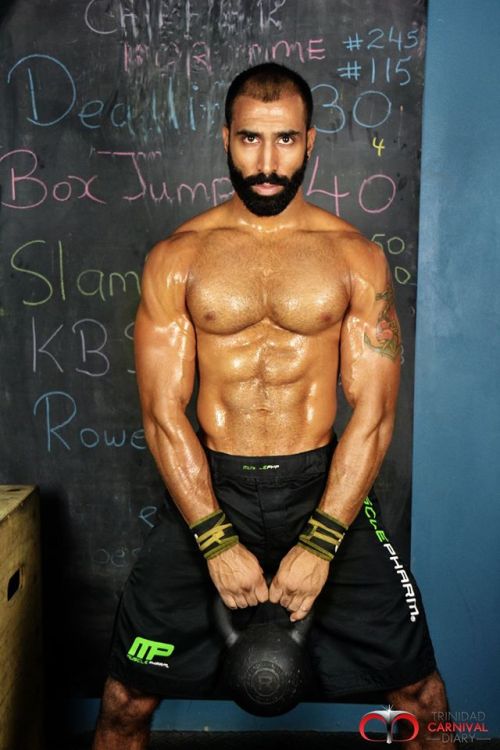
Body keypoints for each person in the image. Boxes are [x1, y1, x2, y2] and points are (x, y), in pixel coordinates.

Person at [93, 63, 450, 750]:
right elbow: (162, 413)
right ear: (225, 138)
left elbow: (373, 416)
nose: (266, 163)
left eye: (285, 139)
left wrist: (320, 540)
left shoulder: (355, 258)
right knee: (125, 700)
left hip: (323, 487)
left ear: (310, 141)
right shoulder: (178, 257)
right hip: (211, 488)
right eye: (250, 139)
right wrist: (213, 538)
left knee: (422, 701)